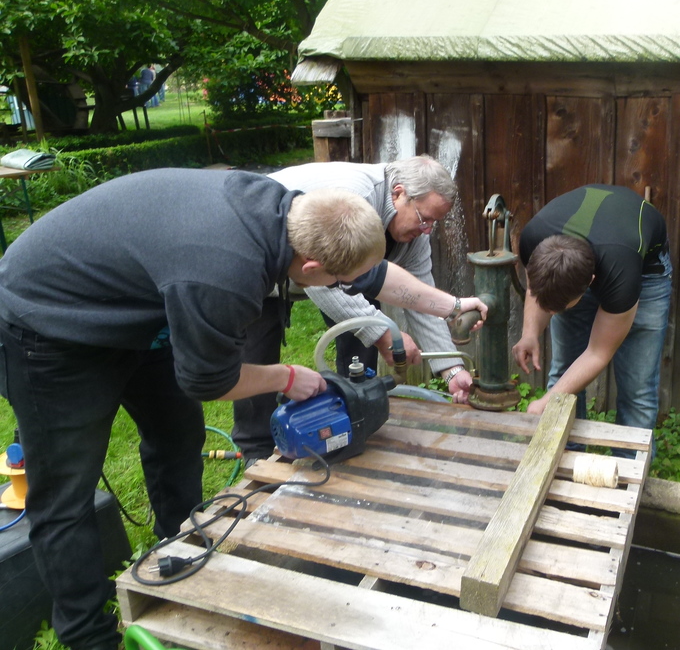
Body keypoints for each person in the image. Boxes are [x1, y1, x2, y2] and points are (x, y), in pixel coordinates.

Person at [0, 168, 389, 650]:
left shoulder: (286, 211)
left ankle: (178, 552)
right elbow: (210, 381)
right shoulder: (225, 272)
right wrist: (286, 377)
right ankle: (87, 635)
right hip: (53, 322)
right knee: (64, 494)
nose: (342, 287)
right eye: (339, 281)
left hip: (140, 304)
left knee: (178, 437)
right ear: (311, 270)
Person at [232, 156, 481, 462]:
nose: (428, 229)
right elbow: (322, 283)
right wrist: (382, 333)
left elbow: (418, 297)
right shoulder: (352, 199)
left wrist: (451, 368)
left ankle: (351, 416)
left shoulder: (414, 233)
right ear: (399, 193)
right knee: (256, 359)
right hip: (257, 266)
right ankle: (256, 454)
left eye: (434, 222)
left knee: (362, 332)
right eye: (424, 218)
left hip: (315, 269)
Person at [511, 184, 673, 459]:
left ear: (590, 284)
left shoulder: (622, 272)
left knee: (637, 390)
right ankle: (560, 460)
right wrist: (529, 333)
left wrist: (546, 401)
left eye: (558, 309)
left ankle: (627, 475)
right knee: (564, 370)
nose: (552, 313)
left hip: (644, 272)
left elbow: (598, 353)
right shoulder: (533, 240)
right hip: (588, 255)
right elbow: (536, 287)